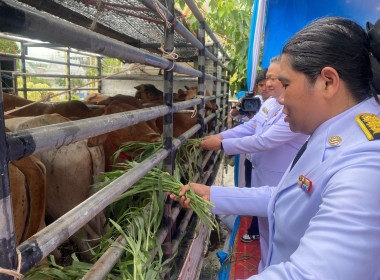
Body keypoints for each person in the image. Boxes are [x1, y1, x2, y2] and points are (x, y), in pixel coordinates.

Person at [172, 17, 380, 279]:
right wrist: (212, 195)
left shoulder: (368, 164)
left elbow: (307, 275)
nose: (280, 98)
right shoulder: (330, 130)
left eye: (287, 85)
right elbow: (285, 195)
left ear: (327, 82)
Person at [202, 55, 308, 270]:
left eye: (275, 78)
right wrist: (222, 136)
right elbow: (250, 128)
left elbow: (264, 140)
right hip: (262, 177)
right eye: (267, 77)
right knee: (266, 228)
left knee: (281, 233)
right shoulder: (270, 103)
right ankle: (266, 266)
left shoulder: (295, 109)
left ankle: (276, 269)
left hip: (279, 179)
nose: (268, 83)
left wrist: (222, 145)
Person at [229, 68, 269, 243]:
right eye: (261, 85)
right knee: (253, 188)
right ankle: (256, 224)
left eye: (267, 84)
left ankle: (255, 229)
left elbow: (264, 139)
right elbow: (234, 116)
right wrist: (241, 103)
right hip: (251, 156)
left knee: (263, 191)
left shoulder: (278, 105)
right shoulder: (255, 101)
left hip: (266, 157)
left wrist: (223, 144)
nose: (264, 88)